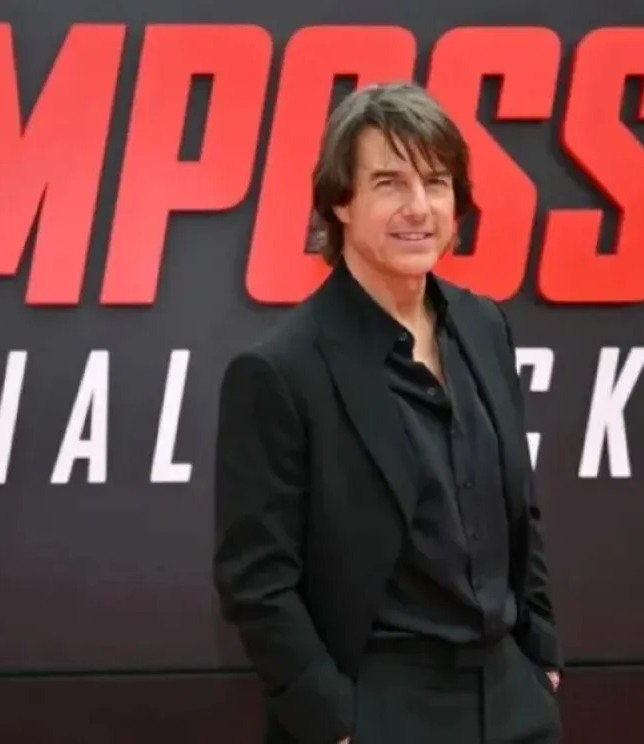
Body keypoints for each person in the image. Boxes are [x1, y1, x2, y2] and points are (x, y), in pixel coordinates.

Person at [213, 81, 563, 744]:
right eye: (388, 183)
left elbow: (520, 509)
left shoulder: (485, 326)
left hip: (512, 697)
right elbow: (256, 583)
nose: (417, 208)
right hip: (382, 704)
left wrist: (539, 654)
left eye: (435, 182)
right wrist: (338, 724)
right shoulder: (281, 372)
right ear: (340, 201)